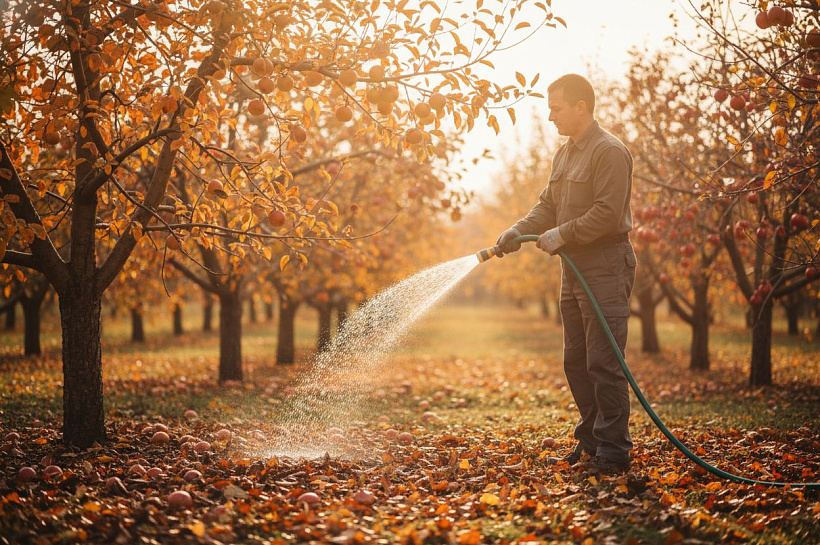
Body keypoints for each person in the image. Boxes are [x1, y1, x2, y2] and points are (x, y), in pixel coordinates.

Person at [496, 74, 637, 474]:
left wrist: (562, 233)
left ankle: (613, 451)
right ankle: (592, 439)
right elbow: (547, 205)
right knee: (575, 360)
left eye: (556, 108)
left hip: (605, 265)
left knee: (604, 362)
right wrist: (518, 229)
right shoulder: (565, 154)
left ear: (581, 107)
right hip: (573, 270)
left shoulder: (609, 151)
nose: (550, 116)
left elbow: (607, 213)